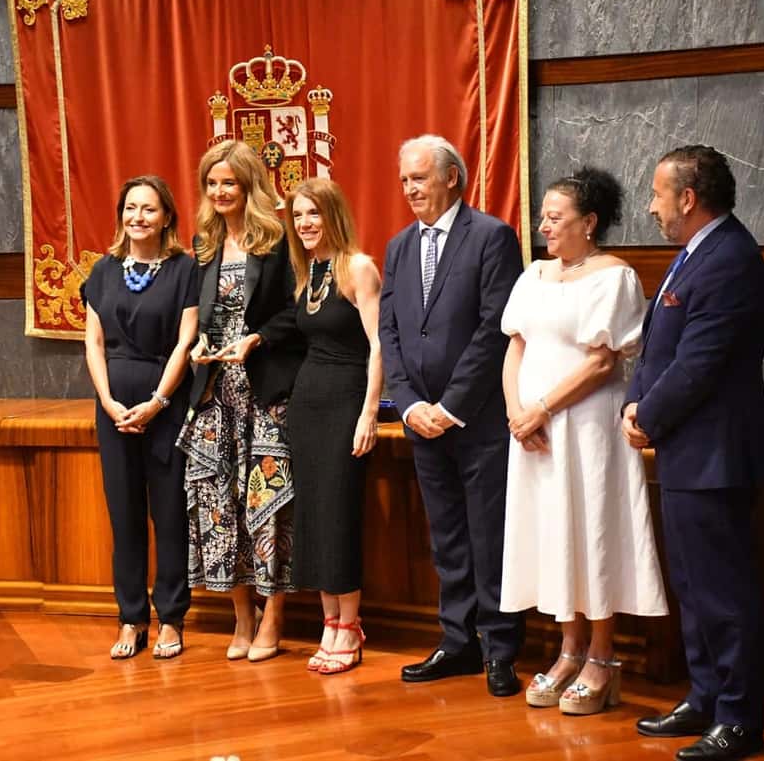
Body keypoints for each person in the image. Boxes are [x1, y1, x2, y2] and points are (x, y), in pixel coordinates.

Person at [499, 167, 669, 715]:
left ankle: (602, 657)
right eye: (543, 216)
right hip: (533, 431)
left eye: (556, 217)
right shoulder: (534, 274)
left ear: (589, 222)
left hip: (586, 425)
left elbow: (602, 361)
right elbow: (515, 346)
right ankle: (567, 649)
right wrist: (517, 414)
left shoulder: (613, 276)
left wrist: (543, 408)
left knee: (591, 528)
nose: (545, 225)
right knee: (553, 531)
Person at [622, 145, 764, 761]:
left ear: (688, 198)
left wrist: (648, 414)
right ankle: (706, 694)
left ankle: (739, 718)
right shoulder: (693, 254)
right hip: (688, 452)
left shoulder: (730, 258)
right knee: (692, 583)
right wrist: (636, 402)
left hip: (715, 454)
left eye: (659, 194)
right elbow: (658, 344)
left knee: (722, 592)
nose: (652, 205)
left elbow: (700, 362)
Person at [378, 134, 526, 696]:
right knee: (446, 538)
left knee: (489, 536)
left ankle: (500, 648)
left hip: (479, 419)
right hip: (421, 421)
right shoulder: (397, 247)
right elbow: (390, 331)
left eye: (419, 178)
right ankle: (457, 641)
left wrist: (451, 405)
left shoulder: (491, 237)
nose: (409, 188)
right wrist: (411, 403)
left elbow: (495, 330)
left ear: (451, 179)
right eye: (404, 180)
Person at [177, 139, 305, 662]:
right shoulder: (204, 242)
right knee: (216, 503)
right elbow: (200, 315)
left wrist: (258, 339)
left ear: (249, 184)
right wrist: (203, 343)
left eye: (229, 182)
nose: (219, 191)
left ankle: (274, 615)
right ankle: (241, 615)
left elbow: (300, 310)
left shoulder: (277, 239)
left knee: (267, 504)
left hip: (265, 389)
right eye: (212, 182)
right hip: (213, 394)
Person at [82, 175, 198, 660]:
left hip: (163, 405)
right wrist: (109, 403)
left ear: (167, 216)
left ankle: (170, 619)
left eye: (149, 209)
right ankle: (131, 618)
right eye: (131, 208)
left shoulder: (184, 269)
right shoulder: (104, 271)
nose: (138, 217)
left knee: (168, 514)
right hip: (112, 408)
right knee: (124, 515)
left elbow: (185, 341)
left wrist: (158, 401)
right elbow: (93, 341)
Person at [284, 177, 383, 675]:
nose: (304, 224)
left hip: (347, 403)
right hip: (307, 405)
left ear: (332, 215)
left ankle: (350, 625)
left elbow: (379, 346)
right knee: (315, 517)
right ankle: (329, 621)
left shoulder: (357, 268)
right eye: (298, 215)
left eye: (313, 214)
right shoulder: (307, 273)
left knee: (340, 513)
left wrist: (369, 413)